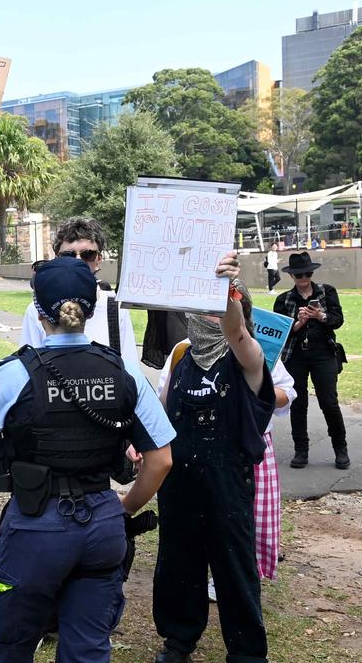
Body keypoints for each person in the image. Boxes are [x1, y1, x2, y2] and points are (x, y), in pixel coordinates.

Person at [0, 255, 174, 662]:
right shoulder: (125, 370)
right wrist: (125, 507)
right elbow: (160, 460)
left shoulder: (15, 373)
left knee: (14, 641)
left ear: (38, 311)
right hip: (102, 525)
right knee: (89, 647)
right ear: (92, 308)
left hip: (36, 526)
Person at [152, 255, 276, 663]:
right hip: (180, 480)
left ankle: (246, 653)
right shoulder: (181, 358)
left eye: (215, 305)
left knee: (234, 568)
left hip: (227, 481)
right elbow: (163, 415)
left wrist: (227, 288)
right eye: (201, 303)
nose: (206, 313)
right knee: (178, 562)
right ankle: (178, 640)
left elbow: (235, 330)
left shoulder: (248, 358)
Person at [20, 217, 137, 368]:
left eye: (87, 254)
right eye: (68, 255)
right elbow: (29, 366)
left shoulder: (114, 307)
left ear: (99, 259)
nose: (78, 261)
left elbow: (130, 369)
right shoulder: (37, 307)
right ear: (57, 258)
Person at [274, 252, 348, 470]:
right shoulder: (284, 300)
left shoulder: (326, 292)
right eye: (299, 275)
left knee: (329, 402)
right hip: (295, 355)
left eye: (307, 273)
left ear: (312, 273)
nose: (304, 278)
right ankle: (301, 449)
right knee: (297, 403)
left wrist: (320, 316)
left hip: (323, 352)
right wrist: (298, 324)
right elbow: (278, 332)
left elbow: (338, 320)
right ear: (292, 277)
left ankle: (340, 447)